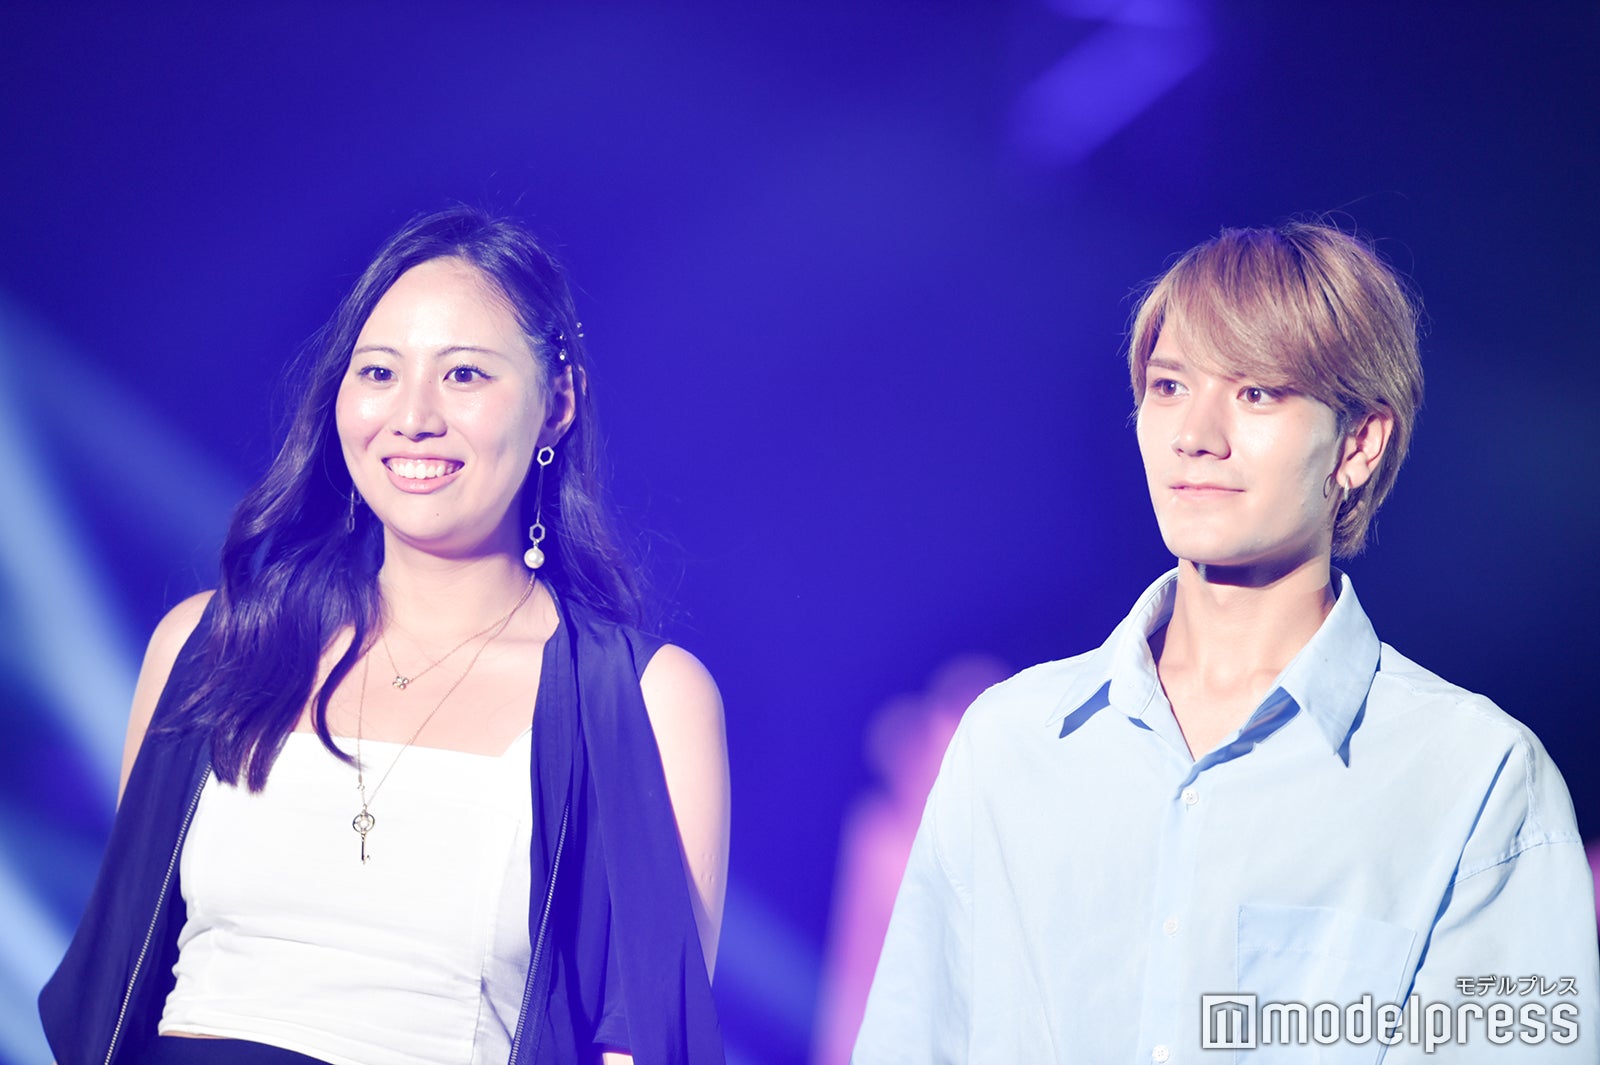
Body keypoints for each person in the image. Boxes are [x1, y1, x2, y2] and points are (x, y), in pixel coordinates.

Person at [854, 222, 1598, 1061]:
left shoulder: (1476, 781)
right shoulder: (1009, 742)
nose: (1196, 433)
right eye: (1170, 385)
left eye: (1257, 393)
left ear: (1359, 442)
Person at [40, 206, 730, 1065]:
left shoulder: (638, 699)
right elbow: (121, 972)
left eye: (464, 374)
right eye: (378, 371)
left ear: (558, 405)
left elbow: (646, 1040)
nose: (413, 416)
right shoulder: (213, 646)